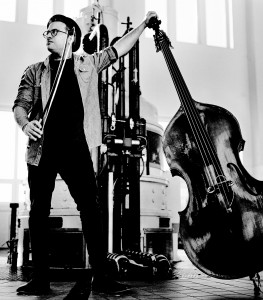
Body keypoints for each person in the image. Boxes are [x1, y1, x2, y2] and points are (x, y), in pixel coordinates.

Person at [13, 11, 157, 299]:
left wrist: (143, 25)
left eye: (55, 31)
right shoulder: (34, 71)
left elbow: (120, 48)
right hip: (42, 150)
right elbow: (20, 106)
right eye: (47, 32)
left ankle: (102, 277)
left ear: (71, 37)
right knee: (39, 213)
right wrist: (26, 123)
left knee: (91, 210)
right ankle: (40, 280)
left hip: (76, 148)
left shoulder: (87, 63)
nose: (49, 35)